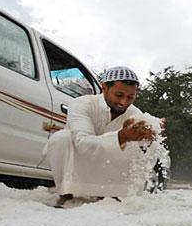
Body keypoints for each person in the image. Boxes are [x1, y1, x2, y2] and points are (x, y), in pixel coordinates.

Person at [45, 66, 164, 207]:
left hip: (109, 173)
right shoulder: (83, 104)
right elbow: (83, 145)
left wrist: (151, 133)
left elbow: (142, 151)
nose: (123, 102)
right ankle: (67, 193)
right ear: (104, 88)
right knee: (61, 138)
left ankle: (116, 194)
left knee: (151, 146)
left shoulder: (135, 113)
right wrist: (121, 137)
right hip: (80, 164)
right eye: (119, 95)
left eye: (130, 97)